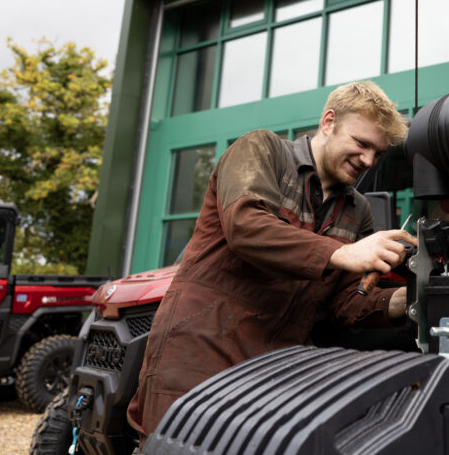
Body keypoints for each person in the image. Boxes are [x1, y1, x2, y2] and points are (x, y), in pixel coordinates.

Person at [127, 80, 415, 438]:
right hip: (200, 354)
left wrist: (409, 300)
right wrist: (342, 252)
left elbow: (344, 303)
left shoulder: (358, 210)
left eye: (378, 153)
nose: (368, 161)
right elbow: (246, 226)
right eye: (361, 144)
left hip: (276, 370)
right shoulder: (261, 150)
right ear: (328, 122)